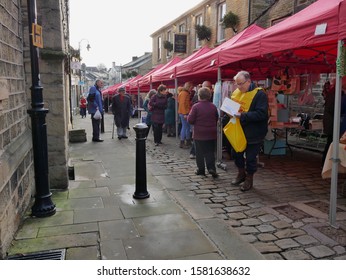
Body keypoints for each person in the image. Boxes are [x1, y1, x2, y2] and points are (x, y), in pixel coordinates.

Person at [230, 71, 268, 192]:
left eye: (241, 84)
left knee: (251, 157)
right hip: (238, 129)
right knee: (236, 153)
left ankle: (249, 179)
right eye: (237, 84)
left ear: (249, 81)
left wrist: (243, 116)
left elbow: (262, 114)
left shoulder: (260, 94)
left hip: (254, 132)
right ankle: (241, 174)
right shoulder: (236, 93)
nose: (239, 87)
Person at [188, 87, 219, 178]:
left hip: (199, 133)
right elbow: (216, 118)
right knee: (210, 152)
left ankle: (201, 170)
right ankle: (211, 168)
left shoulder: (196, 106)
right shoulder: (213, 106)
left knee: (199, 153)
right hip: (211, 133)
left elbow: (190, 120)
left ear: (199, 96)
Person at [322, 77, 346, 165]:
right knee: (331, 143)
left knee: (331, 143)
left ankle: (328, 163)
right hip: (332, 123)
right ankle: (326, 163)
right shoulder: (334, 93)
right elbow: (333, 109)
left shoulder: (336, 92)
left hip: (333, 122)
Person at [178, 81, 193, 148]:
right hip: (184, 113)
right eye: (191, 88)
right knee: (185, 127)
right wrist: (185, 113)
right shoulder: (184, 93)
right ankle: (183, 142)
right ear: (188, 87)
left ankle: (187, 141)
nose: (191, 89)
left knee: (187, 127)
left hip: (184, 112)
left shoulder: (183, 93)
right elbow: (182, 104)